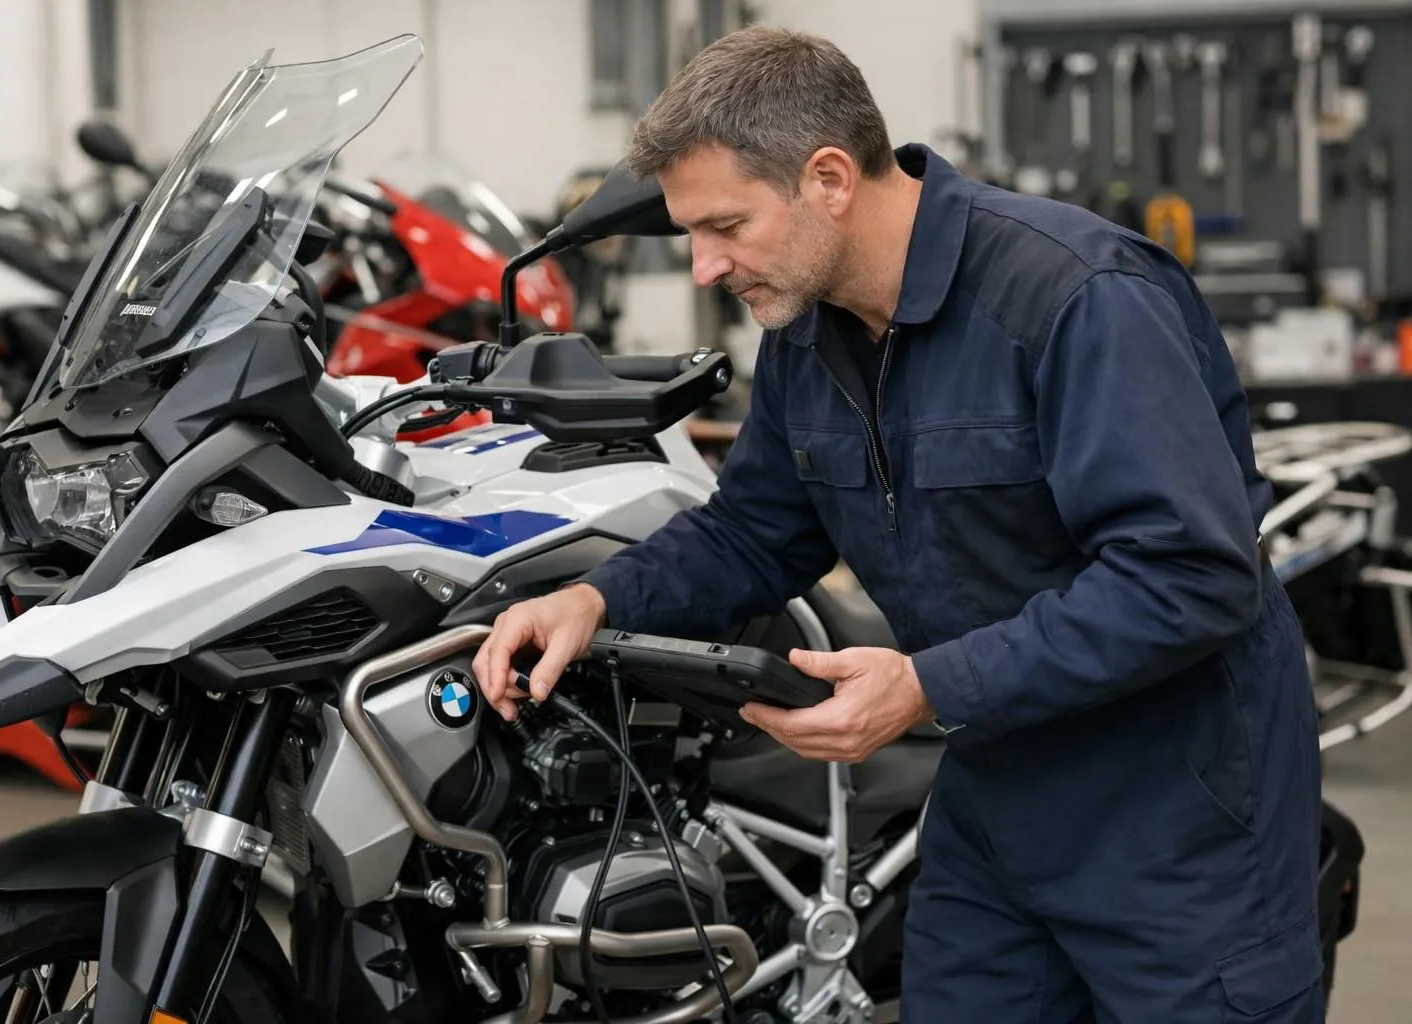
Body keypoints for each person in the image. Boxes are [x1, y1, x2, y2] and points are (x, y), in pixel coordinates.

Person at [471, 25, 1323, 1024]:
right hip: (995, 801)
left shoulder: (1077, 298)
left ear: (830, 178)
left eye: (726, 225)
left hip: (1180, 812)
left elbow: (1189, 575)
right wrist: (592, 600)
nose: (703, 267)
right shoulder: (807, 336)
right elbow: (753, 533)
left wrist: (925, 686)